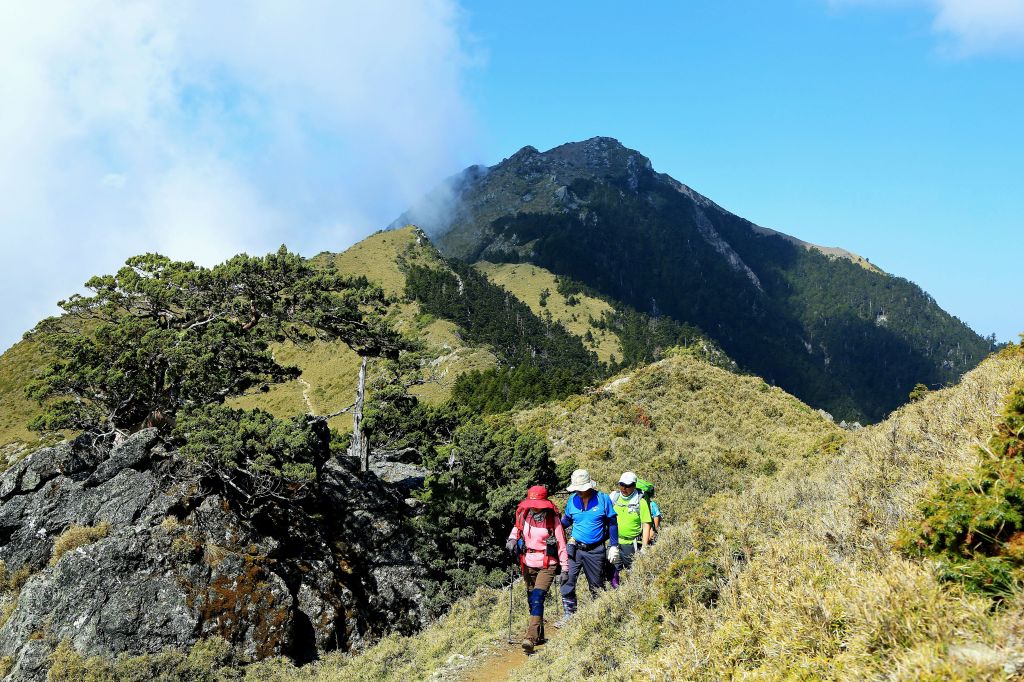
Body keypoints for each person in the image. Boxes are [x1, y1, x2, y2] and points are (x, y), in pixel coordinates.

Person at [505, 485, 569, 652]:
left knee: (538, 598)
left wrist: (565, 568)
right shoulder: (524, 514)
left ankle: (530, 637)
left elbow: (562, 543)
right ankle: (539, 635)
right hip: (527, 562)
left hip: (548, 563)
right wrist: (512, 540)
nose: (534, 506)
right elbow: (516, 529)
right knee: (531, 599)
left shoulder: (552, 519)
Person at [555, 469, 618, 628]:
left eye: (581, 489)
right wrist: (554, 528)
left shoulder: (603, 499)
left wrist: (613, 546)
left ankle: (599, 615)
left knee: (596, 585)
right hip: (575, 549)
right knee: (567, 580)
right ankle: (570, 615)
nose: (579, 492)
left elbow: (612, 523)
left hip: (596, 550)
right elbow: (567, 520)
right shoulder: (572, 500)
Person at [609, 471, 653, 575]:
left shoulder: (640, 502)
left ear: (634, 486)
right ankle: (616, 590)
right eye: (621, 485)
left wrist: (644, 548)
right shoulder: (614, 498)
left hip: (631, 545)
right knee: (614, 572)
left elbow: (646, 526)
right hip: (614, 543)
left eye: (627, 486)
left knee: (634, 572)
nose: (624, 488)